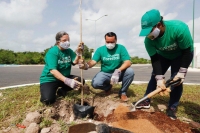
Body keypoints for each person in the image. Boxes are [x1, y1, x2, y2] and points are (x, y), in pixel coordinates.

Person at [133, 9, 194, 120]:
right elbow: (155, 59)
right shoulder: (148, 41)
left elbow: (187, 51)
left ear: (159, 25)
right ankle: (145, 101)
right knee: (154, 77)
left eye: (149, 31)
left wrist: (182, 72)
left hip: (181, 55)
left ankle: (172, 108)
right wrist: (159, 78)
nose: (148, 35)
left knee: (176, 81)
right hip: (162, 56)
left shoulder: (179, 28)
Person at [79, 32, 134, 102]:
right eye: (107, 42)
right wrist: (86, 65)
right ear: (105, 40)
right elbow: (93, 61)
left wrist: (118, 70)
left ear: (116, 41)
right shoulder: (100, 50)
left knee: (130, 71)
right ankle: (107, 87)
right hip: (105, 73)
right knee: (95, 83)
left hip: (119, 73)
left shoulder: (121, 48)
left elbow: (128, 62)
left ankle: (123, 92)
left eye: (112, 42)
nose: (110, 44)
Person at [40, 31, 85, 105]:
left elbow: (74, 62)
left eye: (68, 40)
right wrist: (67, 81)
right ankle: (49, 91)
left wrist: (78, 53)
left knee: (80, 81)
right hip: (50, 79)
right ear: (58, 42)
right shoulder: (53, 52)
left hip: (64, 77)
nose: (67, 42)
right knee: (47, 100)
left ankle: (62, 91)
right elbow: (53, 71)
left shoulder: (69, 51)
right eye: (64, 40)